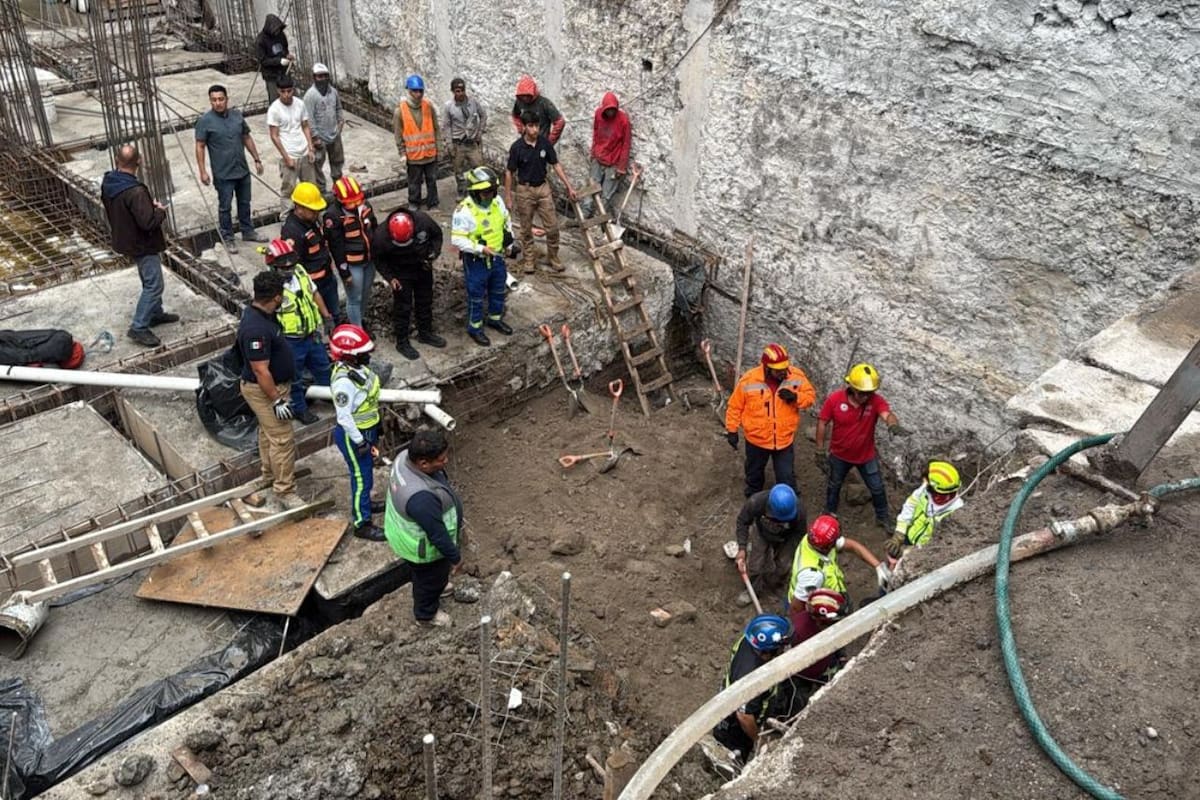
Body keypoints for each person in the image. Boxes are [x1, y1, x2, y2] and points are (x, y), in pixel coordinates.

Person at [814, 362, 910, 533]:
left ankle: (882, 517)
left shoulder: (876, 401)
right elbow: (822, 422)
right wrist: (820, 450)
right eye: (863, 393)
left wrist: (892, 424)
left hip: (866, 456)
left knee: (877, 488)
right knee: (834, 484)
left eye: (869, 393)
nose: (866, 397)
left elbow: (887, 414)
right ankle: (829, 511)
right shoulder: (835, 400)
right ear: (852, 388)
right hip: (839, 454)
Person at [100, 143, 179, 348]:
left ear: (117, 161)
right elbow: (148, 222)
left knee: (148, 279)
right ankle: (139, 326)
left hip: (125, 239)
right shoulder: (135, 191)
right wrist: (159, 211)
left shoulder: (110, 181)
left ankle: (155, 313)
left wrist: (145, 208)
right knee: (154, 284)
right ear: (139, 162)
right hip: (142, 244)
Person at [237, 270, 304, 511]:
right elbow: (260, 370)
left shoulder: (261, 314)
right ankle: (285, 490)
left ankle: (268, 475)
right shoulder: (256, 329)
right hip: (265, 390)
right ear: (276, 297)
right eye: (282, 294)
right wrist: (277, 400)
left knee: (268, 433)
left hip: (270, 387)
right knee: (283, 439)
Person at [384, 429, 463, 627]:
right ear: (424, 463)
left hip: (401, 532)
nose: (445, 462)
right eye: (441, 460)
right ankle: (426, 615)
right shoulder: (421, 498)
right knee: (428, 579)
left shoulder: (404, 458)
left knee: (433, 576)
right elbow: (437, 535)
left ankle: (439, 585)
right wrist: (455, 557)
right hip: (421, 548)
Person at [725, 343, 817, 498]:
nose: (783, 373)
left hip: (783, 440)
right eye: (779, 370)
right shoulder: (749, 380)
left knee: (786, 475)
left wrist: (796, 398)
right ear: (767, 367)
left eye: (785, 368)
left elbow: (810, 397)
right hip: (757, 440)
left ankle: (789, 500)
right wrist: (732, 430)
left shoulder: (796, 377)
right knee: (754, 473)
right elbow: (734, 406)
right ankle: (754, 498)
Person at [263, 236, 333, 426]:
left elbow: (314, 293)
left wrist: (326, 316)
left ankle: (328, 394)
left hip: (311, 334)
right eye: (284, 267)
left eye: (291, 266)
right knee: (294, 378)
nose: (289, 270)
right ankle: (301, 410)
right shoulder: (269, 288)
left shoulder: (300, 272)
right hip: (290, 341)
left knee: (323, 367)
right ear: (273, 266)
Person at [328, 323, 387, 541]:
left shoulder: (356, 371)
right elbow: (344, 417)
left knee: (366, 473)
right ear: (350, 356)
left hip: (366, 430)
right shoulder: (344, 383)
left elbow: (366, 402)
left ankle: (366, 504)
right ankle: (362, 523)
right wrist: (361, 442)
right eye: (363, 353)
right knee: (361, 477)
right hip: (354, 436)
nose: (368, 356)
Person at [452, 166, 520, 347]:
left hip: (497, 257)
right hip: (476, 261)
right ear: (475, 192)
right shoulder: (464, 211)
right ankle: (475, 328)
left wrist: (509, 243)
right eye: (485, 193)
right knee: (476, 295)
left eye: (491, 191)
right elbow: (457, 239)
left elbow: (506, 221)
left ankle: (494, 319)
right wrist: (480, 249)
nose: (489, 196)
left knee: (498, 289)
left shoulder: (497, 202)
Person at [194, 84, 266, 253]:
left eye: (221, 99)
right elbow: (200, 146)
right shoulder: (205, 121)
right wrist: (203, 171)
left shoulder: (237, 116)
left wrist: (256, 159)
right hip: (223, 173)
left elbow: (246, 137)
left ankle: (248, 231)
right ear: (210, 101)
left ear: (227, 99)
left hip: (241, 169)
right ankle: (228, 237)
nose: (218, 103)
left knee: (245, 202)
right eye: (214, 100)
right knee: (225, 206)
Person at [711, 614, 792, 762]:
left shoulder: (749, 641)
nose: (785, 649)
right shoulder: (753, 678)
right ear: (767, 652)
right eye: (782, 647)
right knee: (731, 760)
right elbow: (744, 716)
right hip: (734, 731)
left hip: (728, 712)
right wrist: (757, 740)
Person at [504, 111, 576, 274]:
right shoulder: (517, 148)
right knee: (526, 228)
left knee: (552, 227)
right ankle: (529, 259)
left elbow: (556, 164)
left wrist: (569, 187)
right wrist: (508, 196)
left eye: (537, 125)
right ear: (523, 127)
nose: (535, 130)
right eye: (531, 126)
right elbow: (509, 172)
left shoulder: (545, 144)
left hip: (543, 188)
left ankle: (553, 257)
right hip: (524, 190)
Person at [372, 208, 446, 359]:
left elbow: (437, 235)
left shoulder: (423, 221)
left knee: (425, 301)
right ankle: (402, 341)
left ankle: (425, 333)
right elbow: (378, 260)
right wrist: (390, 278)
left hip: (422, 266)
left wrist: (433, 253)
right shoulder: (380, 236)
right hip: (400, 273)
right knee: (402, 307)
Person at [787, 514, 891, 611]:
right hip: (824, 607)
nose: (838, 540)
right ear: (828, 546)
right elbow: (796, 607)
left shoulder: (814, 539)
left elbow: (853, 546)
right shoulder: (812, 575)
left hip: (832, 593)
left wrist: (878, 566)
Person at [777, 588, 848, 716]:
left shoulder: (825, 627)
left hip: (823, 665)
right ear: (821, 620)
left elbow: (835, 636)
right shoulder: (798, 632)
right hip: (799, 676)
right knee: (796, 703)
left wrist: (841, 655)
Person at [734, 483, 806, 607]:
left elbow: (799, 535)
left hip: (786, 537)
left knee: (784, 565)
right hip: (761, 533)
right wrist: (742, 548)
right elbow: (742, 522)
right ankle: (753, 591)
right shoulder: (756, 502)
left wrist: (791, 550)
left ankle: (775, 584)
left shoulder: (798, 511)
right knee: (755, 564)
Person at [281, 181, 343, 321]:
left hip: (327, 278)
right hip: (312, 286)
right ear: (299, 208)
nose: (316, 212)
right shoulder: (292, 232)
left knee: (335, 315)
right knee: (319, 320)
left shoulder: (311, 220)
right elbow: (294, 267)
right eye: (312, 209)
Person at [887, 460, 964, 567]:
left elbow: (942, 543)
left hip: (924, 553)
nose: (924, 484)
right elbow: (910, 505)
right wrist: (899, 533)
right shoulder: (925, 489)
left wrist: (910, 553)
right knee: (893, 557)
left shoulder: (957, 511)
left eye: (927, 483)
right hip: (910, 534)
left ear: (936, 490)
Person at [324, 176, 378, 327]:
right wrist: (344, 272)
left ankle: (359, 320)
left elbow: (374, 227)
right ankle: (357, 330)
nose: (355, 205)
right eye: (351, 202)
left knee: (366, 293)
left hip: (369, 259)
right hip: (353, 264)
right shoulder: (333, 216)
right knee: (355, 298)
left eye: (357, 200)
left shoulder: (365, 205)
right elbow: (336, 247)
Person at [267, 74, 317, 214]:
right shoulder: (274, 109)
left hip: (304, 153)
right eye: (283, 92)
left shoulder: (300, 104)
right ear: (278, 91)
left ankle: (312, 214)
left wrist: (310, 148)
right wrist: (287, 157)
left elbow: (305, 126)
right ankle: (286, 219)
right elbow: (274, 136)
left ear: (293, 90)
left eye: (289, 91)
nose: (286, 95)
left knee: (310, 187)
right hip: (290, 155)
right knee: (288, 190)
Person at [580, 91, 631, 218]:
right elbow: (596, 133)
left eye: (613, 110)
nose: (610, 113)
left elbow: (626, 144)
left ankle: (599, 221)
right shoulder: (598, 114)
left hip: (613, 161)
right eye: (608, 110)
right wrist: (593, 153)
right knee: (591, 189)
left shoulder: (623, 120)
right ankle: (585, 215)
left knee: (606, 195)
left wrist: (622, 167)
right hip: (599, 157)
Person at [393, 74, 440, 209]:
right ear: (409, 91)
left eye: (420, 91)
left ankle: (433, 202)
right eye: (415, 91)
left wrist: (439, 148)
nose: (418, 94)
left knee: (432, 180)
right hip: (413, 156)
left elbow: (436, 128)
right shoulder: (400, 111)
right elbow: (398, 134)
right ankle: (414, 203)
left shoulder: (428, 107)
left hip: (429, 153)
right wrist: (402, 153)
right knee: (414, 182)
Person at [303, 63, 345, 193]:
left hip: (334, 134)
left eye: (325, 76)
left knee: (337, 161)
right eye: (319, 76)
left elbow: (338, 108)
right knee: (317, 165)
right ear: (314, 78)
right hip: (320, 137)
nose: (322, 79)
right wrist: (315, 137)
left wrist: (340, 124)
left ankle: (338, 186)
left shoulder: (333, 92)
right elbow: (309, 118)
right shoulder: (310, 96)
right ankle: (321, 191)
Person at [443, 77, 487, 196]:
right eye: (457, 91)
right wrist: (449, 144)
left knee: (478, 167)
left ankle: (477, 189)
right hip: (458, 143)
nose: (460, 93)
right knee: (458, 170)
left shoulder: (473, 103)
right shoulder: (449, 106)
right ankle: (461, 191)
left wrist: (479, 132)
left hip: (472, 143)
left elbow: (483, 115)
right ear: (453, 91)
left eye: (462, 90)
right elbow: (447, 126)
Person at [510, 75, 564, 144]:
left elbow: (560, 122)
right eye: (523, 95)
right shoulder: (519, 102)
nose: (525, 98)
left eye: (527, 95)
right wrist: (521, 128)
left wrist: (550, 141)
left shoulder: (544, 103)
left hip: (541, 143)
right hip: (526, 143)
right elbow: (515, 115)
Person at [254, 13, 292, 103]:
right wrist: (279, 61)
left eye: (278, 30)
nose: (277, 32)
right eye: (275, 30)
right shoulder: (261, 40)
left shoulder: (281, 35)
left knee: (289, 97)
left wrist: (287, 56)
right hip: (271, 75)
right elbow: (263, 60)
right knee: (275, 100)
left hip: (284, 73)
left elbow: (285, 48)